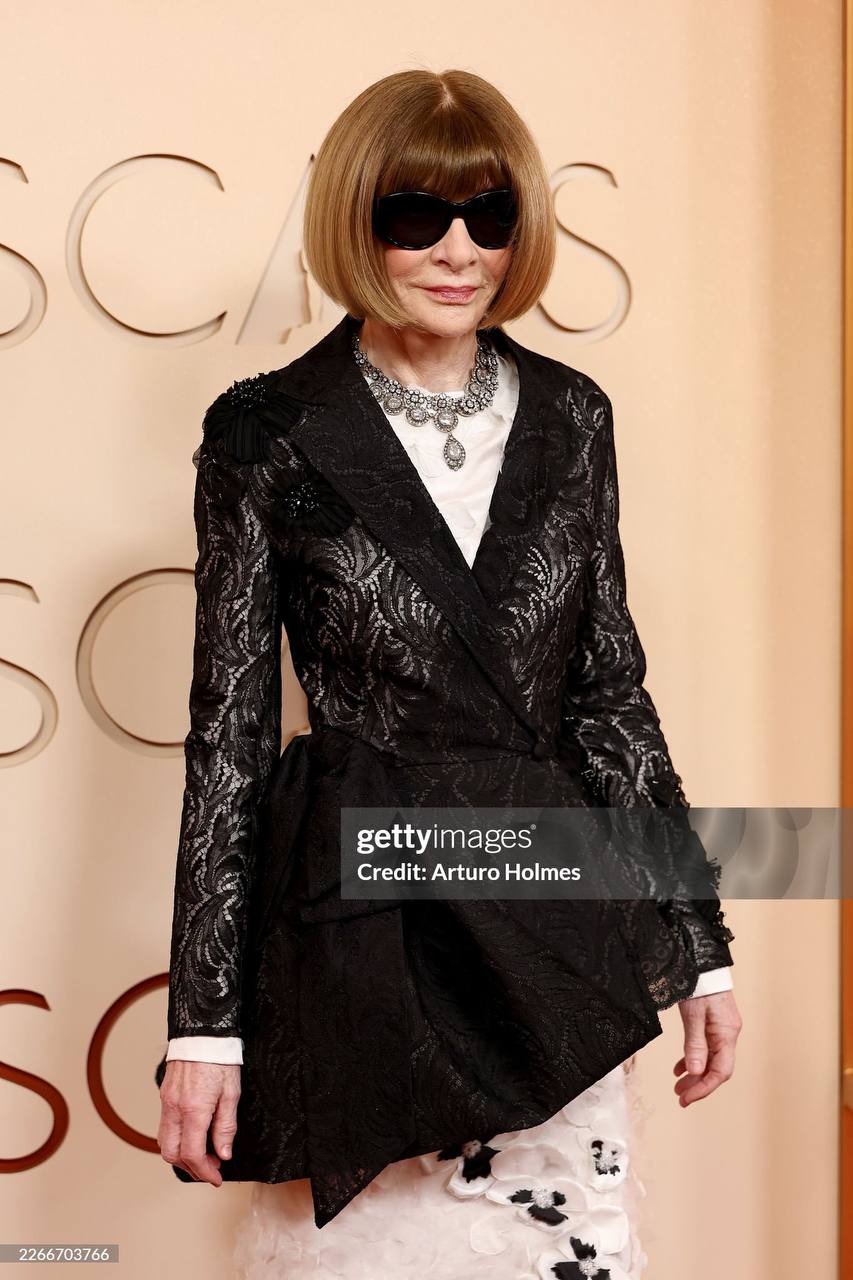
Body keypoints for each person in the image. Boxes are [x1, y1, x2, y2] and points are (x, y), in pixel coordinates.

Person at [155, 68, 741, 1278]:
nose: (459, 248)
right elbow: (230, 738)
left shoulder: (572, 416)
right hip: (363, 930)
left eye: (490, 214)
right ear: (356, 222)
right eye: (415, 214)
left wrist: (698, 939)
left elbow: (607, 696)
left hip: (546, 927)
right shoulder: (267, 431)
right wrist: (205, 1025)